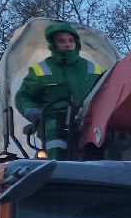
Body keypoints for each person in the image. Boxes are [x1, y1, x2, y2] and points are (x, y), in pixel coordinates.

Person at [15, 21, 104, 158]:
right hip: (54, 119)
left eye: (71, 40)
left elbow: (106, 94)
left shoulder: (93, 70)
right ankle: (56, 169)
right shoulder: (41, 70)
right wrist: (30, 109)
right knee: (55, 136)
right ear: (53, 44)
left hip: (90, 121)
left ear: (76, 42)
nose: (68, 44)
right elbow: (23, 95)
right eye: (61, 41)